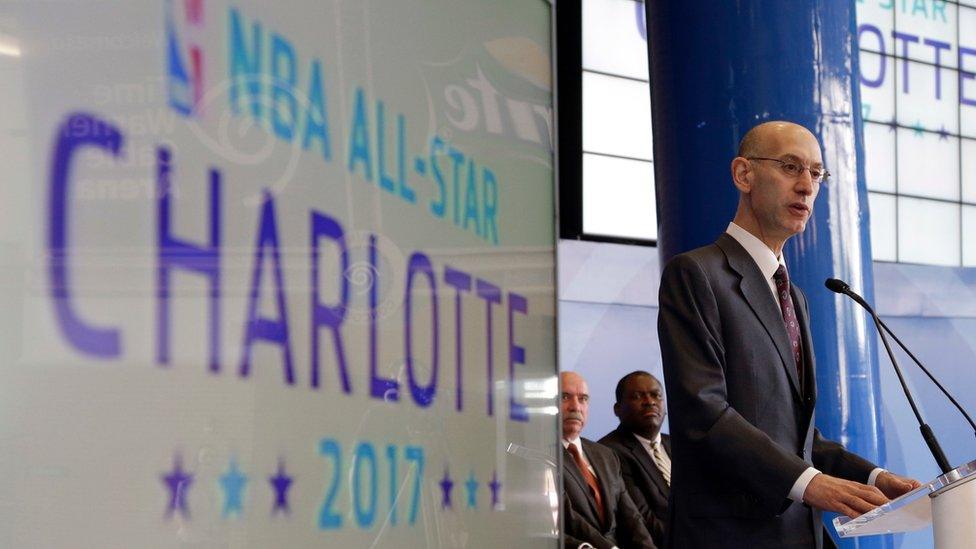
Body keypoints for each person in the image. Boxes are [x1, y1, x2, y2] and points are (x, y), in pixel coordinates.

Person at [657, 121, 921, 548]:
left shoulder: (793, 296)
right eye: (790, 167)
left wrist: (874, 477)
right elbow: (702, 413)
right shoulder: (697, 274)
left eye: (816, 173)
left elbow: (796, 438)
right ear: (744, 174)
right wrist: (810, 483)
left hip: (798, 534)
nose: (806, 186)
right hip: (729, 535)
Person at [560, 371, 656, 549]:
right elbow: (563, 519)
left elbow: (632, 518)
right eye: (565, 397)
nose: (575, 406)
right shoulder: (537, 456)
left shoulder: (605, 454)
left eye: (583, 399)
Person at [599, 371, 670, 547]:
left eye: (656, 395)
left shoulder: (681, 446)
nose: (650, 402)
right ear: (617, 409)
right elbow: (641, 517)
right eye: (638, 396)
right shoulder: (609, 451)